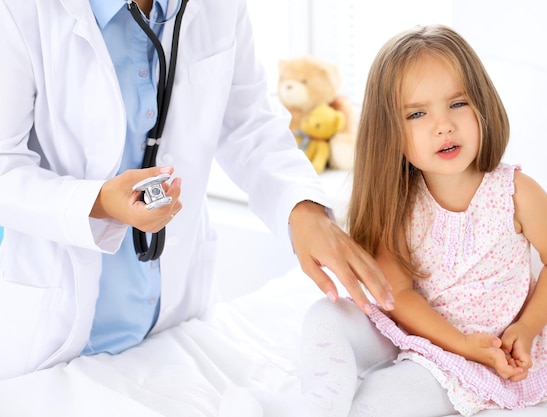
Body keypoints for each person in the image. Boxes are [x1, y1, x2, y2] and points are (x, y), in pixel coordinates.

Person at [0, 0, 395, 380]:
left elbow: (248, 123)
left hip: (174, 320)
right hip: (59, 337)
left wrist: (302, 209)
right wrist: (99, 202)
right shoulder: (21, 10)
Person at [232, 24, 547, 417]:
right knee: (325, 316)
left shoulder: (516, 193)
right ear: (391, 134)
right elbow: (397, 296)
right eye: (417, 113)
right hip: (405, 328)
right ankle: (315, 406)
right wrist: (450, 339)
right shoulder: (400, 202)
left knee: (384, 400)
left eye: (458, 103)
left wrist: (523, 328)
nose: (443, 125)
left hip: (468, 357)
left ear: (483, 105)